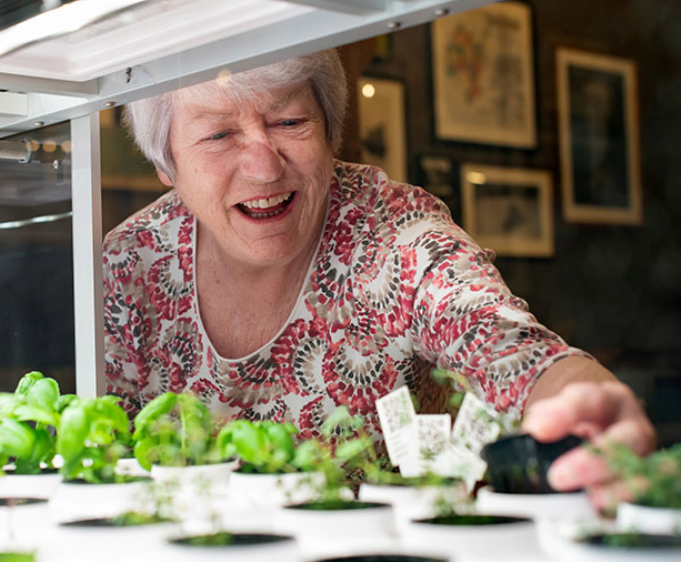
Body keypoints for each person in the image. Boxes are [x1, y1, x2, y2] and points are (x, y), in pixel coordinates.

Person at [103, 49, 655, 505]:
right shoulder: (131, 263)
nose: (265, 167)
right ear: (167, 163)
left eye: (289, 122)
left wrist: (589, 403)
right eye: (219, 135)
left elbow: (501, 340)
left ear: (330, 132)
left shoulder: (393, 230)